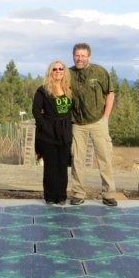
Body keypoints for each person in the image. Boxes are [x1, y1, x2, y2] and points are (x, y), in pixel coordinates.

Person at [68, 42, 117, 206]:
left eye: (83, 55)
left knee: (104, 158)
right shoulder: (68, 74)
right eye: (77, 55)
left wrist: (106, 117)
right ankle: (78, 193)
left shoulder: (99, 72)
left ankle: (108, 194)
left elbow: (110, 94)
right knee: (77, 159)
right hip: (77, 124)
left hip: (98, 121)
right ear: (73, 55)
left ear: (89, 56)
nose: (80, 58)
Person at [32, 60, 73, 205]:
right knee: (50, 167)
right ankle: (50, 197)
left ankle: (61, 196)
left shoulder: (69, 89)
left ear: (64, 71)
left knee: (62, 166)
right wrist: (46, 126)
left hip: (65, 134)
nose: (57, 71)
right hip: (48, 135)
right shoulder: (43, 90)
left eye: (60, 69)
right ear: (50, 72)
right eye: (54, 69)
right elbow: (36, 111)